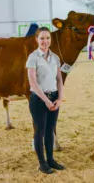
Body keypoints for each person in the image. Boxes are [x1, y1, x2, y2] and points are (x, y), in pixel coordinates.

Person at [26, 27, 65, 174]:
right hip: (38, 100)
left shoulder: (55, 57)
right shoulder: (33, 57)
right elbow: (33, 83)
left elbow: (59, 80)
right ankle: (42, 163)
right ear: (36, 39)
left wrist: (59, 98)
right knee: (40, 131)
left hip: (54, 98)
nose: (45, 41)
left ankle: (51, 160)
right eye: (42, 38)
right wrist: (46, 101)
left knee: (50, 130)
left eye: (47, 38)